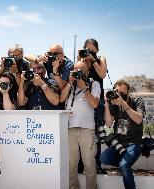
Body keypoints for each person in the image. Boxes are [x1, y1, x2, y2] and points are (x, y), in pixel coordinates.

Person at [60, 61, 100, 189]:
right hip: (70, 128)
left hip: (86, 129)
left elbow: (94, 104)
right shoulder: (70, 85)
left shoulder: (94, 84)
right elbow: (61, 99)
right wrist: (70, 83)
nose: (77, 73)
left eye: (80, 70)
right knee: (71, 163)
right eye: (75, 70)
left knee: (89, 164)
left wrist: (85, 88)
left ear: (87, 72)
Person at [100, 79, 143, 189]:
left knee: (123, 165)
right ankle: (125, 165)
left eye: (123, 93)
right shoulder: (113, 104)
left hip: (134, 143)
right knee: (104, 158)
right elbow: (109, 123)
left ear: (128, 92)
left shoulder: (137, 101)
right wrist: (106, 104)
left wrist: (123, 104)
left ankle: (124, 166)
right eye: (118, 92)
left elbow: (138, 119)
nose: (120, 95)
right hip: (119, 143)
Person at [77, 38, 108, 174]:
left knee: (97, 133)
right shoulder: (83, 59)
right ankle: (81, 165)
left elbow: (102, 74)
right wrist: (82, 58)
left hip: (97, 99)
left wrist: (93, 59)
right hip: (82, 99)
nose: (89, 52)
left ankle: (97, 164)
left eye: (92, 50)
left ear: (97, 49)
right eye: (87, 49)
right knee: (81, 131)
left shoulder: (101, 58)